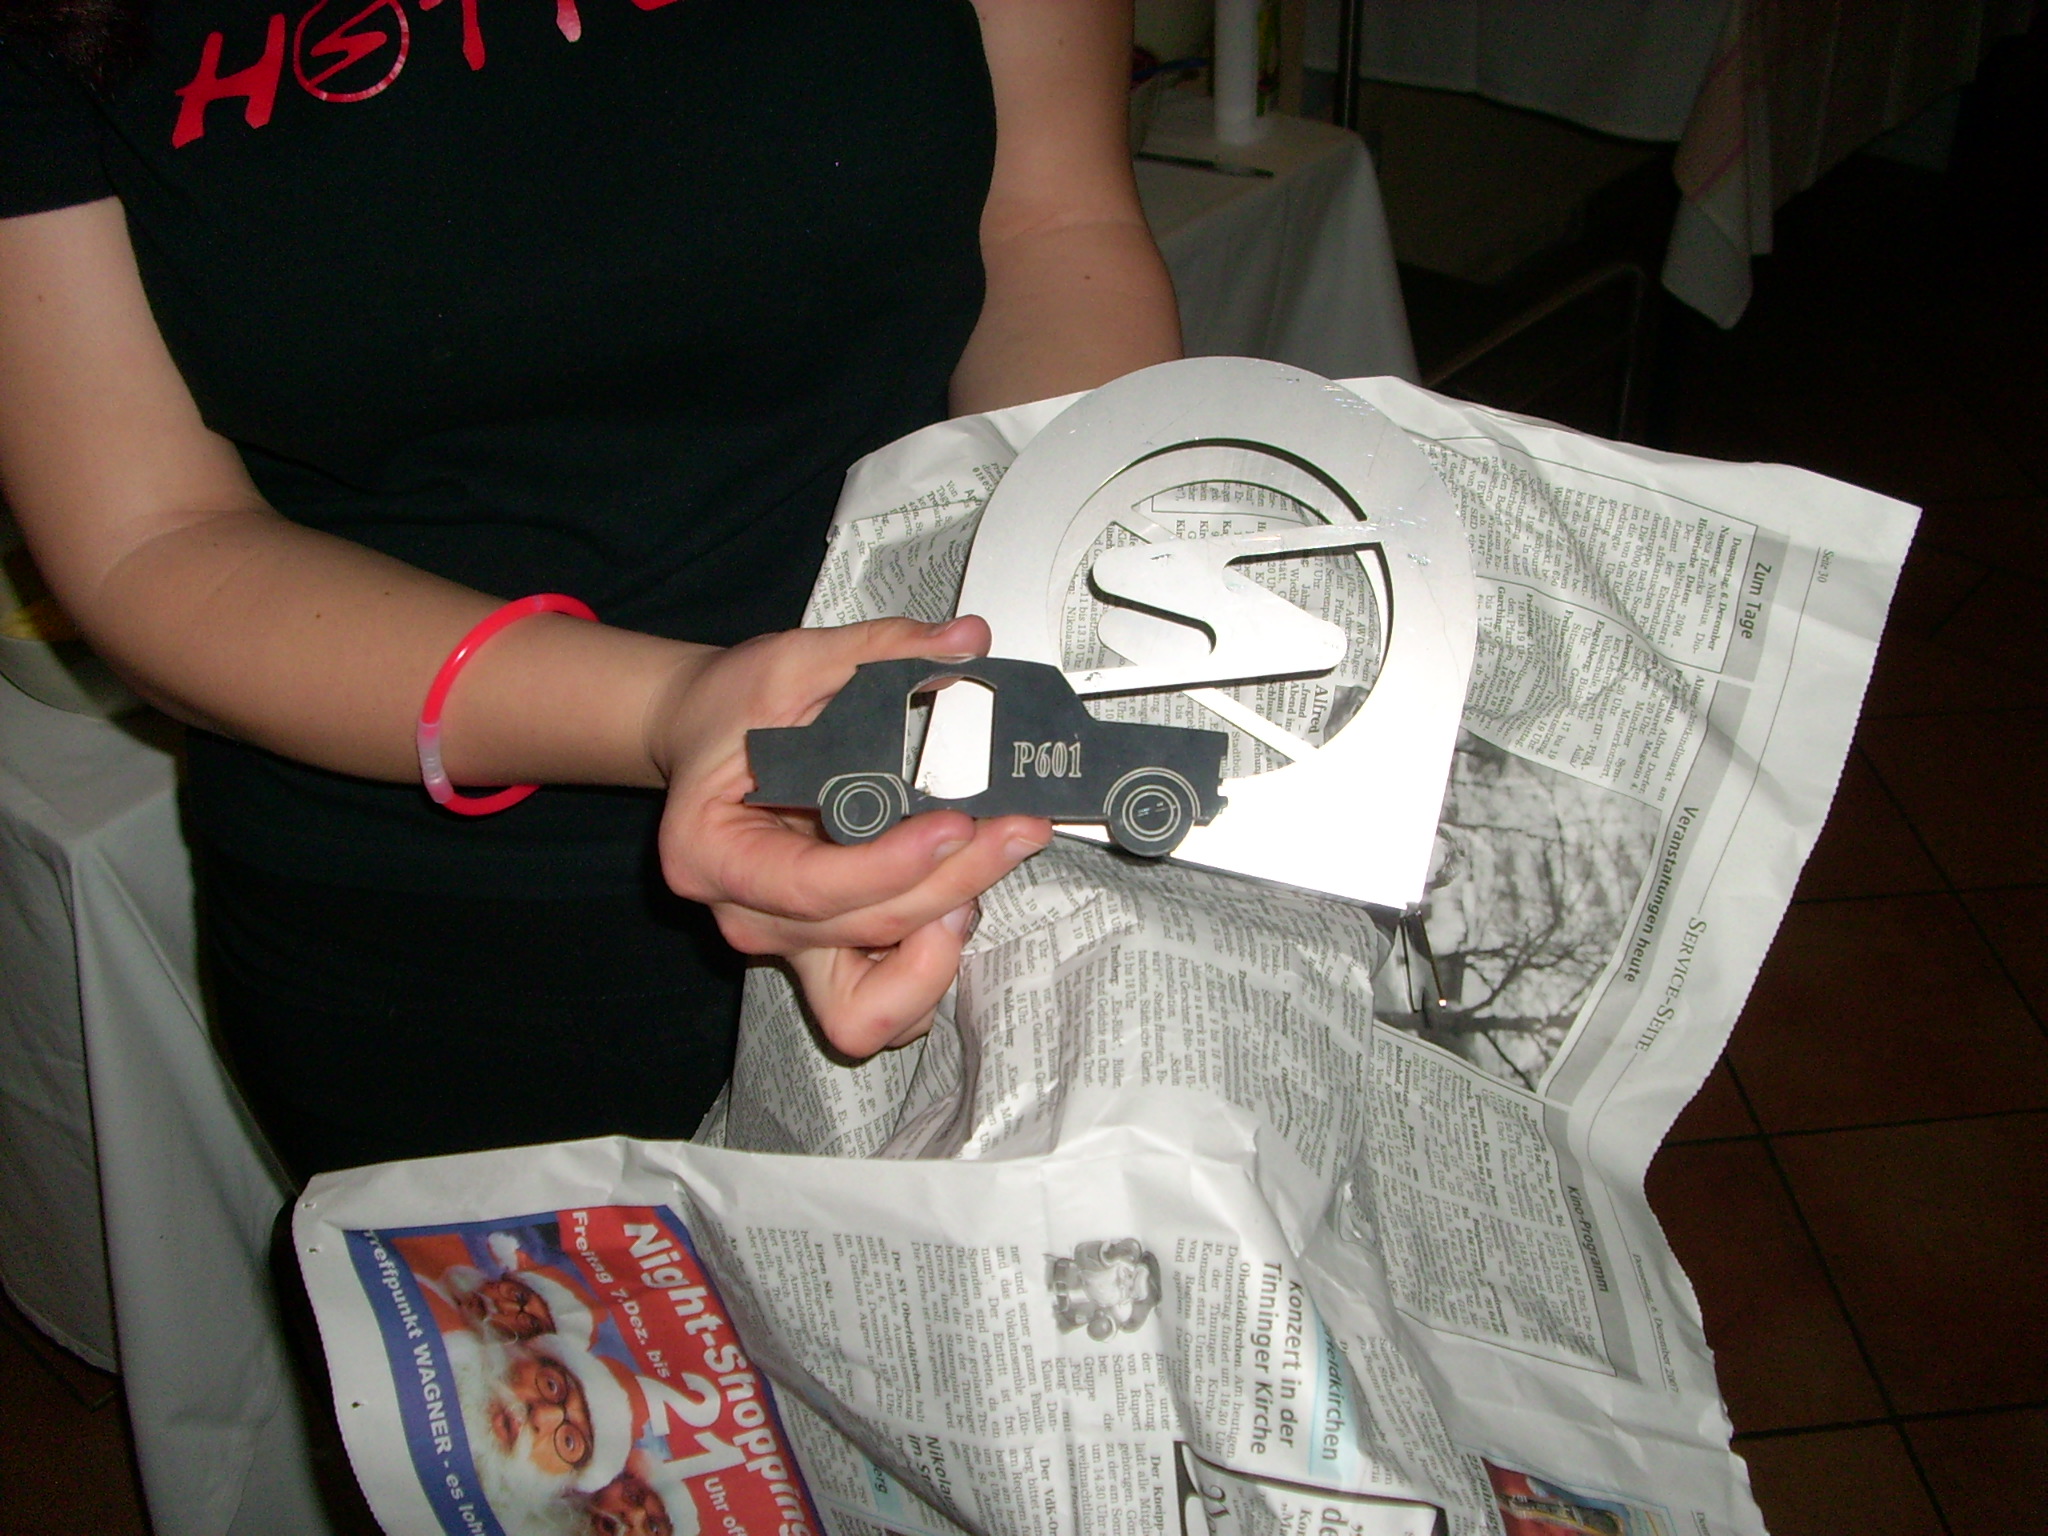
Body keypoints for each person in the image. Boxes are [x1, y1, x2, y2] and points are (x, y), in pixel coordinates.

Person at [0, 1, 1181, 1178]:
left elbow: (1046, 226)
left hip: (973, 780)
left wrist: (1057, 617)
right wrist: (681, 713)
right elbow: (150, 537)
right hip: (451, 932)